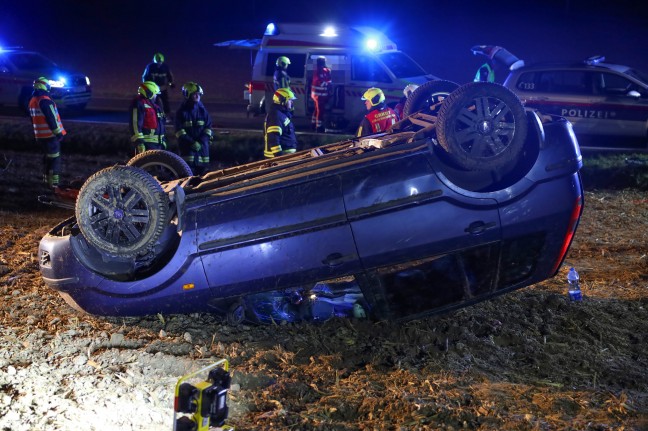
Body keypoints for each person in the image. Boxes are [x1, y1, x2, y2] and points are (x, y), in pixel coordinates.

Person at [28, 77, 66, 189]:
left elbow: (33, 119)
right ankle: (54, 185)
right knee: (55, 160)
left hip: (40, 137)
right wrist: (58, 133)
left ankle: (46, 182)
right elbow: (51, 118)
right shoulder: (45, 100)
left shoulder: (32, 101)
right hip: (50, 136)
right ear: (45, 86)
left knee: (47, 159)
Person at [175, 82, 213, 176]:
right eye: (194, 94)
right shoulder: (181, 112)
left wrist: (202, 141)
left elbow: (208, 128)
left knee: (203, 178)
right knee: (188, 177)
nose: (197, 96)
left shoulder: (203, 111)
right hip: (188, 150)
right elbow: (179, 131)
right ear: (187, 95)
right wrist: (191, 142)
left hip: (202, 151)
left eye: (199, 94)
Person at [129, 81, 167, 154]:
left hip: (158, 145)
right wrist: (139, 142)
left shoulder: (155, 106)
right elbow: (135, 124)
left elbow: (161, 124)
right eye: (155, 94)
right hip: (146, 144)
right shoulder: (139, 103)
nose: (156, 96)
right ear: (150, 93)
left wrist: (163, 141)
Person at [264, 88, 298, 158]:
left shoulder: (281, 114)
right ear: (282, 100)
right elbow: (273, 138)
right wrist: (279, 157)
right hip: (279, 158)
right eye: (290, 100)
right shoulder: (276, 115)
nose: (292, 102)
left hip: (286, 156)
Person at [142, 52, 175, 121]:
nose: (159, 64)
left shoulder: (165, 67)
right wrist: (147, 86)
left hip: (162, 88)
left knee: (165, 101)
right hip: (153, 88)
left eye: (160, 62)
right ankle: (150, 116)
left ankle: (167, 116)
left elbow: (170, 76)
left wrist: (171, 83)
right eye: (157, 63)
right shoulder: (150, 67)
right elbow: (145, 77)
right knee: (151, 102)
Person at [310, 56, 332, 133]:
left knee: (317, 109)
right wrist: (326, 83)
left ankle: (313, 124)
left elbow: (329, 80)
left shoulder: (326, 70)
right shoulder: (317, 71)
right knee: (320, 110)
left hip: (323, 94)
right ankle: (318, 127)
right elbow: (319, 81)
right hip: (317, 94)